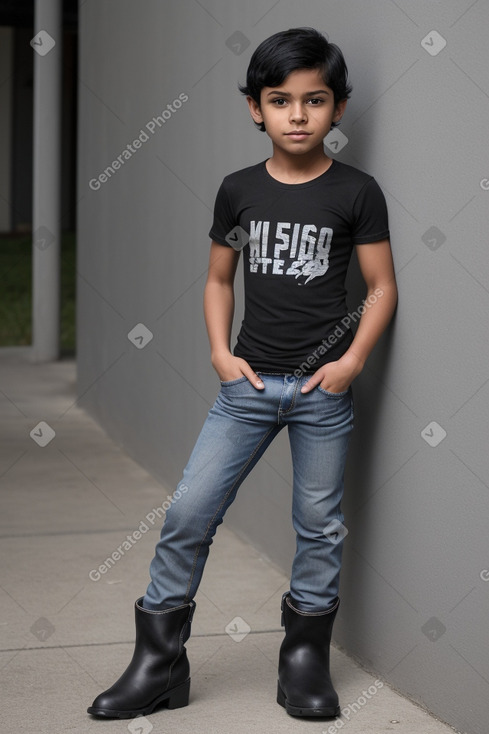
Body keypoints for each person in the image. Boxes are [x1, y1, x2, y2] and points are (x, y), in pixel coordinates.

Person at [88, 26, 398, 721]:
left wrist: (349, 363)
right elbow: (217, 280)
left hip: (323, 394)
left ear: (337, 109)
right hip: (248, 389)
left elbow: (380, 287)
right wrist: (219, 351)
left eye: (313, 100)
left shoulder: (356, 192)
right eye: (279, 100)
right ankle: (158, 662)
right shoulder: (238, 192)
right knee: (189, 512)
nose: (297, 115)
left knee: (318, 524)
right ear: (255, 108)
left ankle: (302, 662)